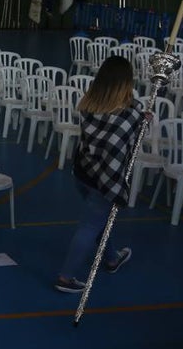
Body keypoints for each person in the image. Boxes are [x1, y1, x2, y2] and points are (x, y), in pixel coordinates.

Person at [55, 56, 142, 293]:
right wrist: (142, 119)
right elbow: (130, 126)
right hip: (105, 179)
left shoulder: (89, 104)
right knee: (89, 225)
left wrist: (141, 118)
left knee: (98, 220)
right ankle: (66, 277)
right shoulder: (129, 114)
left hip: (83, 173)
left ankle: (112, 258)